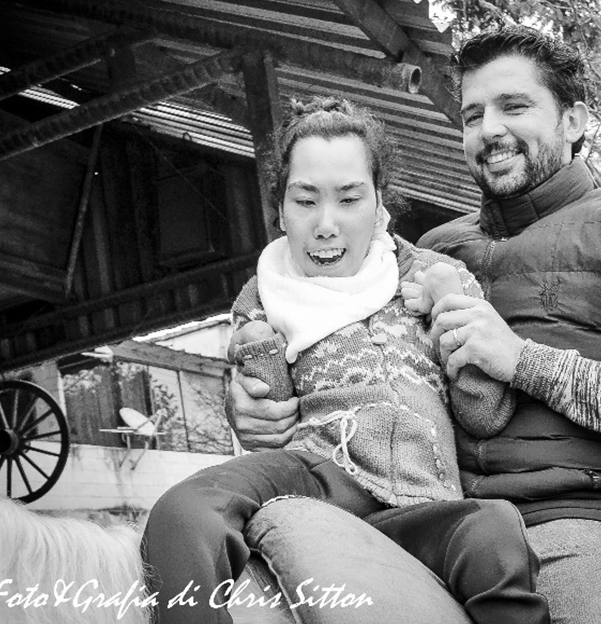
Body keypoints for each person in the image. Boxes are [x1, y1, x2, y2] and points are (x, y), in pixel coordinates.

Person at [226, 26, 601, 624]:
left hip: (578, 524)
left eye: (514, 106)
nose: (489, 128)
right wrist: (252, 406)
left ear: (574, 121)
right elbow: (336, 353)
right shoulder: (429, 252)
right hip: (427, 521)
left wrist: (522, 361)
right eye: (473, 115)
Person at [142, 97, 549, 624]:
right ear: (280, 210)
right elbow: (267, 424)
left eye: (350, 198)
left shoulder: (434, 275)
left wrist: (453, 318)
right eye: (305, 200)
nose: (325, 224)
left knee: (494, 529)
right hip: (317, 472)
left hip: (426, 500)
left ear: (379, 206)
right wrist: (257, 354)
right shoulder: (263, 294)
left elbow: (485, 416)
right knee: (184, 510)